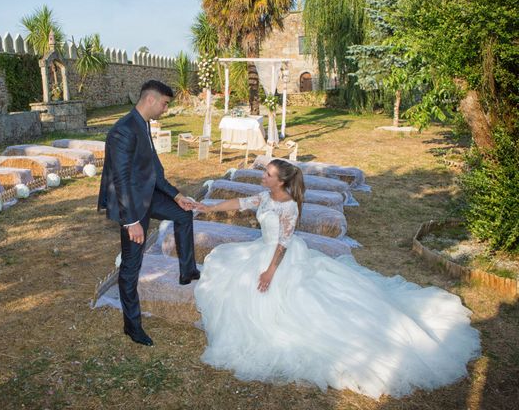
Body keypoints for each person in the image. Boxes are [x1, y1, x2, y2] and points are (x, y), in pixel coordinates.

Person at [193, 159, 480, 399]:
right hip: (260, 250)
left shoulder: (289, 206)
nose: (263, 177)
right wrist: (207, 208)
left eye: (268, 174)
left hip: (280, 258)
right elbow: (240, 201)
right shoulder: (266, 197)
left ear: (281, 181)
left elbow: (283, 243)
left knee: (284, 301)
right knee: (229, 275)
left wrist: (269, 271)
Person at [98, 80, 199, 346]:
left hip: (146, 194)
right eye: (165, 104)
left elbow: (154, 171)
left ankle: (187, 271)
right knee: (131, 266)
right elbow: (119, 180)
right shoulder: (123, 130)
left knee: (183, 214)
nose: (165, 109)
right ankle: (132, 327)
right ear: (151, 100)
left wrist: (177, 196)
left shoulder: (143, 125)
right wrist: (131, 222)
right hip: (130, 203)